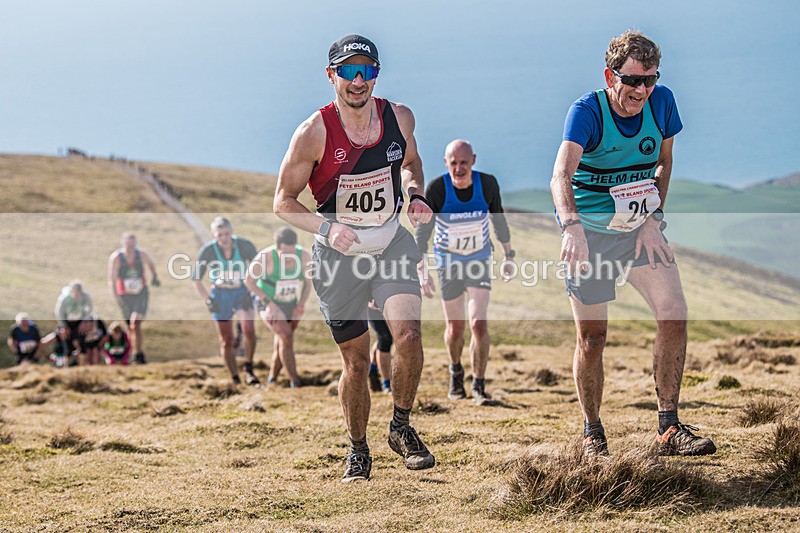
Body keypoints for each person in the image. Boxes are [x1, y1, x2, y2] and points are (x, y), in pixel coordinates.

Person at [273, 34, 435, 482]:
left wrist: (416, 194)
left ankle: (400, 428)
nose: (357, 80)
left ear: (376, 74)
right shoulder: (313, 133)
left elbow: (410, 163)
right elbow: (283, 202)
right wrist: (328, 227)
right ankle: (358, 450)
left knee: (407, 337)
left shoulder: (398, 117)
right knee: (357, 362)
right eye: (348, 71)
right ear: (332, 76)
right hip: (337, 257)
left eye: (366, 70)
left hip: (389, 244)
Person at [550, 30, 716, 457]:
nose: (642, 90)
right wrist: (571, 228)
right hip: (588, 236)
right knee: (593, 339)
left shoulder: (662, 103)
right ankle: (592, 432)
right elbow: (561, 177)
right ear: (610, 75)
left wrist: (652, 220)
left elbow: (663, 164)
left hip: (639, 230)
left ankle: (669, 427)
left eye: (650, 79)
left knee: (674, 313)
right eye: (633, 80)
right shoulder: (586, 111)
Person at [414, 140, 515, 406]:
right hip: (448, 264)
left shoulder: (488, 185)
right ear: (446, 162)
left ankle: (479, 385)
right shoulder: (437, 189)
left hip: (478, 260)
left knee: (478, 324)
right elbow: (422, 234)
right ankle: (455, 370)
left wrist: (509, 255)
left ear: (473, 160)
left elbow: (499, 219)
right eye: (454, 163)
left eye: (464, 162)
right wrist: (423, 272)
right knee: (455, 328)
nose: (459, 168)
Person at [192, 216, 260, 386]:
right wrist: (208, 300)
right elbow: (196, 279)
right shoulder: (208, 251)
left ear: (232, 232)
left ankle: (248, 368)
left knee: (249, 331)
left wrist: (254, 289)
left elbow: (260, 268)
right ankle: (235, 377)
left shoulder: (244, 246)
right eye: (219, 235)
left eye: (226, 234)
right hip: (221, 295)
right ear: (214, 235)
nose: (224, 238)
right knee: (226, 340)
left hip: (242, 292)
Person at [244, 226, 312, 388]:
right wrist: (269, 304)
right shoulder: (265, 257)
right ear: (277, 248)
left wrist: (301, 304)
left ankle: (272, 380)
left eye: (292, 253)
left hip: (291, 303)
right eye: (285, 254)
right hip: (267, 302)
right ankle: (295, 382)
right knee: (287, 336)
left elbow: (308, 284)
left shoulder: (304, 257)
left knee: (282, 341)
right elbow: (249, 281)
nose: (289, 258)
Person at [108, 232, 160, 364]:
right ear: (123, 243)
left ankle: (138, 354)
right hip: (124, 295)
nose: (131, 247)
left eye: (133, 244)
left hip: (140, 294)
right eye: (128, 243)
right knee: (130, 327)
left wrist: (154, 277)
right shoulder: (116, 258)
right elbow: (112, 278)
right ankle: (133, 353)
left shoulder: (141, 254)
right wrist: (116, 296)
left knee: (135, 322)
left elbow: (150, 264)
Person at [367, 307, 392, 394]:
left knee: (386, 338)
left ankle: (372, 369)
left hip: (389, 302)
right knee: (385, 338)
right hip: (370, 304)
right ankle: (387, 384)